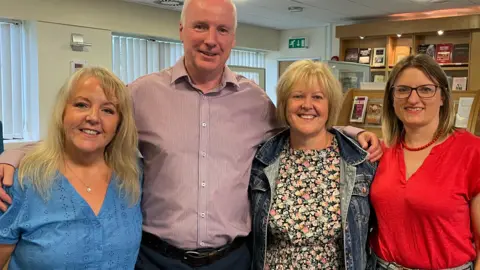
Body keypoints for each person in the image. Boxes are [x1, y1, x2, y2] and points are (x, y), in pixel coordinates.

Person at [0, 0, 383, 269]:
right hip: (154, 258)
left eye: (222, 30)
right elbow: (90, 128)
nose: (210, 39)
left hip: (232, 259)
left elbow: (301, 126)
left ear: (233, 37)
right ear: (181, 30)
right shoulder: (142, 94)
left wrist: (351, 132)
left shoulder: (254, 101)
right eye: (200, 26)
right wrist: (10, 159)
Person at [0, 67, 143, 269]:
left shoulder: (132, 178)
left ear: (119, 124)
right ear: (63, 112)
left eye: (108, 110)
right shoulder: (20, 181)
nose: (93, 117)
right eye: (82, 105)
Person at [249, 60, 376, 270]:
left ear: (330, 105)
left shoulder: (359, 162)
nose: (307, 105)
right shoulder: (262, 160)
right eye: (297, 96)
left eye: (317, 97)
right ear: (284, 103)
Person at [368, 54, 480, 269]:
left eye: (426, 89)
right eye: (403, 90)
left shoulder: (472, 151)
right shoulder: (380, 151)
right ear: (391, 98)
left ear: (443, 97)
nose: (412, 99)